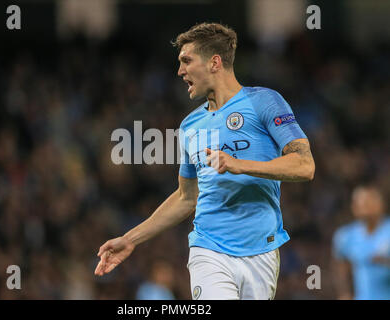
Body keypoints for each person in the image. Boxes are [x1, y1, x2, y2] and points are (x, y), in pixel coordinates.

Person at [94, 22, 315, 300]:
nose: (180, 71)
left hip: (263, 249)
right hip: (209, 248)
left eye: (186, 61)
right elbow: (186, 197)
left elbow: (305, 166)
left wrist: (240, 164)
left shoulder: (264, 102)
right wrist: (129, 239)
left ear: (214, 62)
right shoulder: (190, 126)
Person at [332, 185, 390, 300]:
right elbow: (340, 268)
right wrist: (344, 294)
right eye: (357, 202)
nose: (362, 205)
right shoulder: (345, 236)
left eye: (367, 202)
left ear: (380, 204)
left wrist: (386, 263)